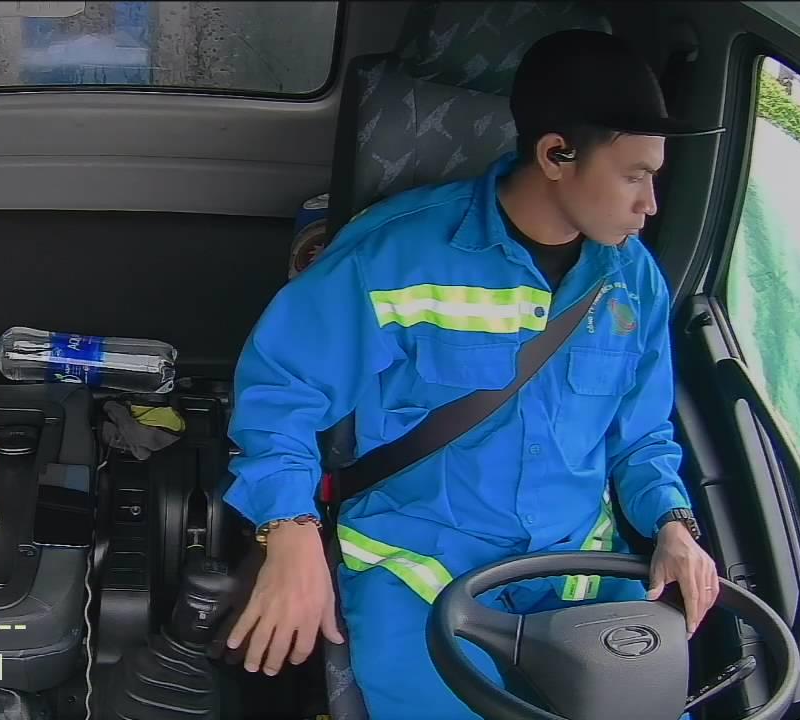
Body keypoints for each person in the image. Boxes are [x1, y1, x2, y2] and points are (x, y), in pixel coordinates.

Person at [221, 29, 725, 718]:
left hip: (577, 571)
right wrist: (291, 532)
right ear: (556, 155)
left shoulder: (632, 280)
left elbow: (641, 437)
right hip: (420, 573)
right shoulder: (392, 254)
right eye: (634, 176)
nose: (651, 205)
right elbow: (282, 394)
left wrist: (673, 523)